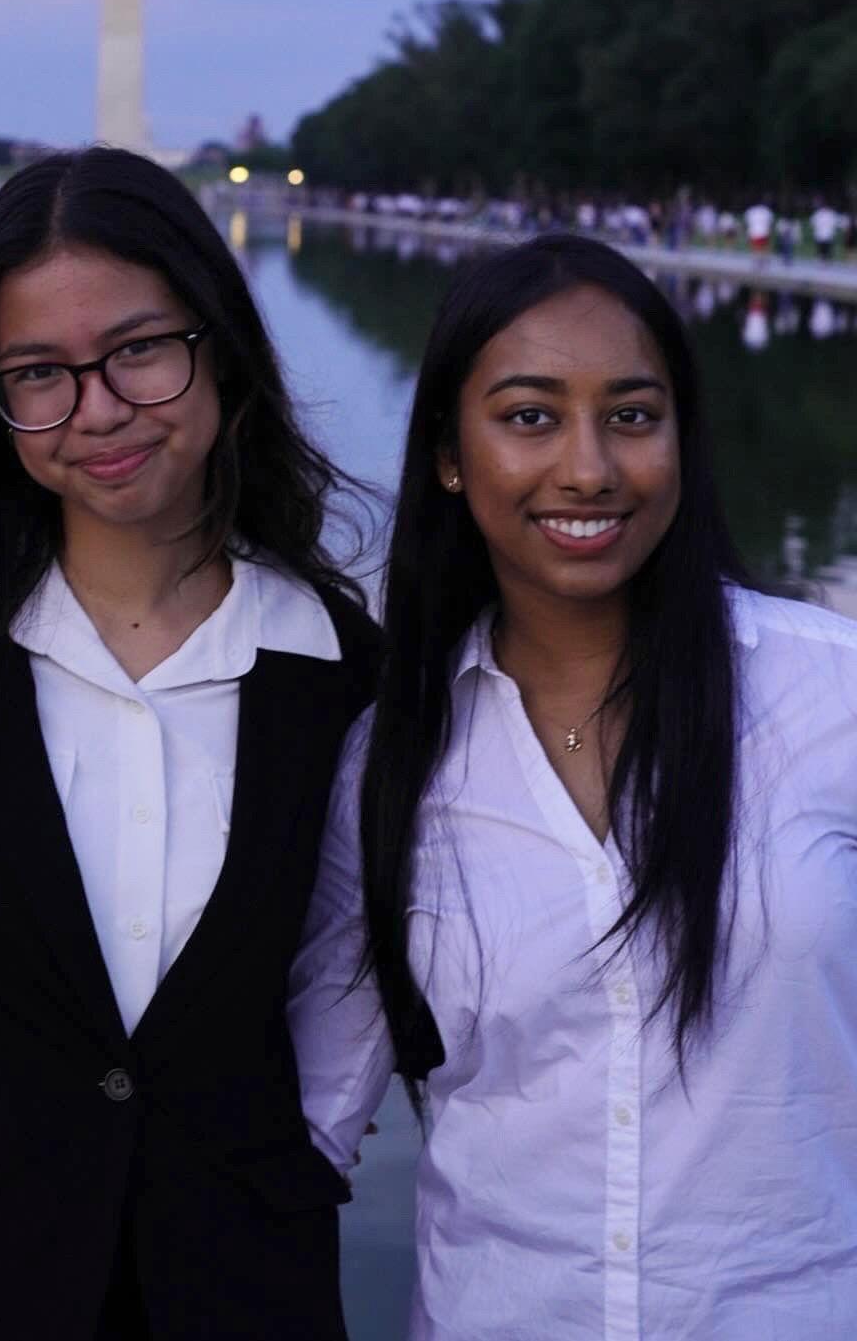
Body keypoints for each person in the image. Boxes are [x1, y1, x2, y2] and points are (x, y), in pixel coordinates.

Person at [0, 146, 381, 1341]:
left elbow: (367, 947)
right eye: (38, 373)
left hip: (237, 1285)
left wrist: (312, 1133)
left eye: (138, 349)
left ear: (219, 340)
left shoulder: (340, 668)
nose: (98, 410)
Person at [290, 234, 857, 1337]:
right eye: (530, 415)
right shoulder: (393, 762)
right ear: (452, 452)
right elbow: (307, 1111)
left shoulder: (832, 696)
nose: (590, 467)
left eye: (633, 415)